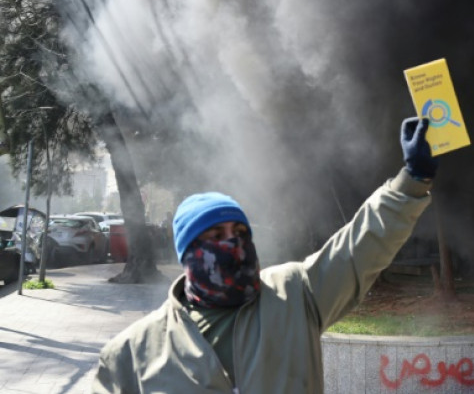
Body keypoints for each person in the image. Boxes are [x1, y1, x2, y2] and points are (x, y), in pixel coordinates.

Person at [92, 117, 439, 393]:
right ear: (189, 253)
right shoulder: (131, 354)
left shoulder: (295, 294)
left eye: (241, 233)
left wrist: (411, 181)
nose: (233, 243)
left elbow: (358, 249)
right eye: (216, 235)